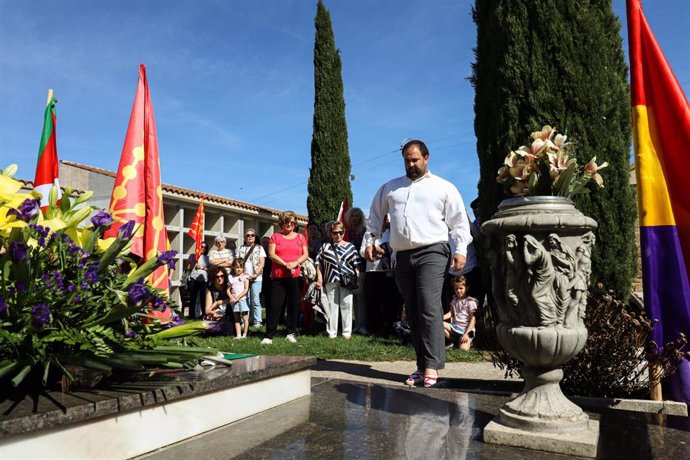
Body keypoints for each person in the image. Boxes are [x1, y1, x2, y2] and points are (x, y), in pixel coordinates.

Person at [366, 139, 471, 388]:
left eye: (415, 160)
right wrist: (370, 242)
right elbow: (374, 218)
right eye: (406, 160)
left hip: (433, 251)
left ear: (426, 158)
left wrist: (461, 250)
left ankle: (433, 365)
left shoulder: (443, 187)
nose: (411, 164)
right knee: (412, 310)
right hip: (402, 255)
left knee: (428, 305)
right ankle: (421, 365)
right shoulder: (391, 189)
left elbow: (458, 222)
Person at [262, 210, 309, 345]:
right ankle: (269, 335)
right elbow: (271, 254)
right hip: (278, 277)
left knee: (294, 306)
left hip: (295, 277)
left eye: (292, 222)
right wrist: (285, 264)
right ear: (281, 224)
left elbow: (305, 254)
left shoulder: (300, 238)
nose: (290, 224)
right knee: (275, 305)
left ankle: (290, 332)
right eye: (286, 222)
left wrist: (295, 263)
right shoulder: (275, 237)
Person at [315, 221, 360, 339]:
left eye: (341, 232)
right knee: (331, 307)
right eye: (335, 233)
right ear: (330, 233)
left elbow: (357, 265)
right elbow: (318, 263)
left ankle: (346, 333)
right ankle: (332, 333)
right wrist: (319, 278)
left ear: (344, 232)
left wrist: (356, 278)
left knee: (346, 305)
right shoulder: (325, 246)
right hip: (330, 279)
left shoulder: (351, 246)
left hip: (347, 280)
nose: (338, 235)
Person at [236, 228, 266, 328]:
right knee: (245, 299)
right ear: (245, 237)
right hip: (244, 278)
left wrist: (256, 274)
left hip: (256, 278)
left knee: (255, 300)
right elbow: (237, 263)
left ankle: (257, 321)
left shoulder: (259, 248)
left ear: (255, 237)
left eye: (252, 235)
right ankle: (247, 320)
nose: (250, 237)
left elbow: (262, 263)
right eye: (248, 235)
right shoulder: (240, 248)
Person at [346, 207, 368, 335]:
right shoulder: (346, 232)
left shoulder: (364, 232)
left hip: (362, 267)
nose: (354, 218)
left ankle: (363, 325)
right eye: (352, 216)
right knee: (354, 296)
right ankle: (357, 324)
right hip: (348, 268)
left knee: (361, 296)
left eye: (357, 216)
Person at [443, 276, 477, 350]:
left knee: (463, 349)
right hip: (455, 327)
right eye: (456, 288)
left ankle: (468, 342)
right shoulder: (454, 300)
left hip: (466, 329)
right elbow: (451, 313)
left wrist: (466, 334)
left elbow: (473, 319)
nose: (458, 291)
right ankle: (453, 341)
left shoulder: (470, 302)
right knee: (438, 323)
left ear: (466, 288)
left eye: (461, 288)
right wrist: (440, 317)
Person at [205, 265, 233, 334]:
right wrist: (213, 313)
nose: (220, 278)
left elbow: (233, 300)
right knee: (209, 331)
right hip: (216, 315)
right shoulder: (210, 289)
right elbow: (207, 310)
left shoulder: (229, 286)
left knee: (228, 331)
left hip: (228, 314)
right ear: (213, 278)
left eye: (222, 276)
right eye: (217, 277)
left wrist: (218, 302)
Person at [185, 241, 209, 319]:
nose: (203, 248)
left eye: (205, 247)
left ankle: (203, 315)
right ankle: (191, 316)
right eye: (202, 246)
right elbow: (188, 267)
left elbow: (210, 269)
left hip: (204, 280)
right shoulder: (193, 255)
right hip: (193, 278)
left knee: (203, 298)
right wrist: (194, 262)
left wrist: (203, 268)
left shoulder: (207, 258)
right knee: (193, 298)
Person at [228, 258, 250, 338]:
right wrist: (231, 297)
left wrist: (238, 297)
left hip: (243, 300)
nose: (239, 269)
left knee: (245, 317)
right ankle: (238, 335)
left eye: (241, 267)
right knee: (236, 318)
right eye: (237, 267)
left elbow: (246, 289)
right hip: (234, 301)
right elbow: (228, 290)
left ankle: (245, 334)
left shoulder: (245, 276)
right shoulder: (231, 277)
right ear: (233, 267)